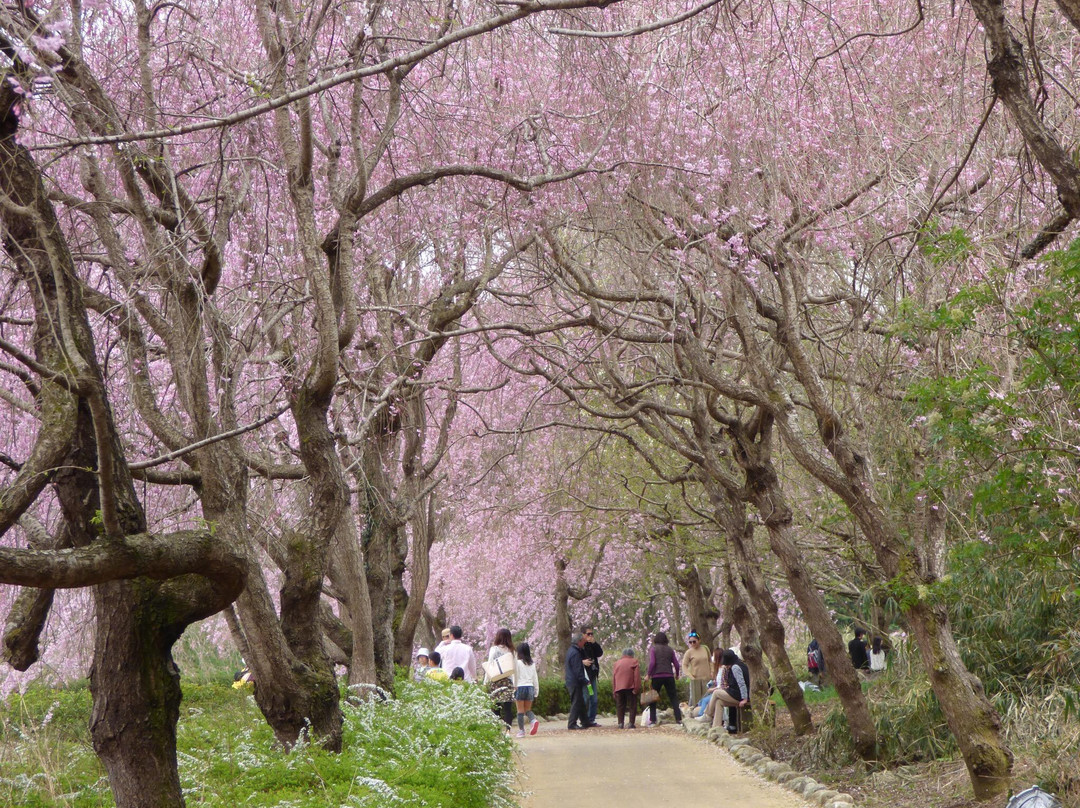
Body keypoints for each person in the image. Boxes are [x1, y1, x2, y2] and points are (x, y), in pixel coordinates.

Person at [700, 649, 750, 732]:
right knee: (719, 702)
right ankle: (716, 728)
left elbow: (742, 684)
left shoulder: (735, 667)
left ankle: (707, 715)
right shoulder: (739, 664)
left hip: (740, 696)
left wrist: (744, 699)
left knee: (716, 693)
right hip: (737, 693)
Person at [645, 631, 682, 726]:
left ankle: (653, 720)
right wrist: (677, 674)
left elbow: (652, 663)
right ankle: (678, 719)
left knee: (652, 698)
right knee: (673, 697)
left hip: (657, 676)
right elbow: (677, 664)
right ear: (666, 640)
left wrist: (648, 675)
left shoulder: (654, 649)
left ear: (656, 640)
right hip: (669, 676)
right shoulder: (670, 650)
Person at [484, 628, 516, 730]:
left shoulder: (494, 649)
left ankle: (496, 730)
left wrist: (485, 682)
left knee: (496, 707)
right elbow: (515, 668)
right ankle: (507, 731)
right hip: (507, 681)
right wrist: (515, 683)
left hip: (496, 681)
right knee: (507, 709)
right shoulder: (512, 651)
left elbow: (489, 665)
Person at [564, 632, 592, 730]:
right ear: (579, 642)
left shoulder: (571, 651)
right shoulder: (575, 653)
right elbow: (578, 670)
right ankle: (572, 723)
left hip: (571, 680)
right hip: (574, 681)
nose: (584, 644)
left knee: (580, 702)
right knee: (576, 702)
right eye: (583, 642)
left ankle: (585, 721)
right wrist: (584, 680)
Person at [514, 642, 540, 737]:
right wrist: (536, 691)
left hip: (520, 687)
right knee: (528, 709)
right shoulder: (532, 664)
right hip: (530, 687)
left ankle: (521, 731)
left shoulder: (518, 663)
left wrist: (514, 686)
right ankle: (533, 720)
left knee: (520, 711)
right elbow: (535, 678)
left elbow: (515, 676)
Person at [611, 648, 641, 729]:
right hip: (630, 686)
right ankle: (631, 723)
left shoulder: (616, 663)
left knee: (620, 705)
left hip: (618, 687)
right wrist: (636, 688)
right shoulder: (634, 662)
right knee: (632, 705)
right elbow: (637, 677)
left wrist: (614, 690)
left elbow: (613, 678)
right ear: (632, 654)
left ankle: (620, 723)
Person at [681, 631, 712, 708]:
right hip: (696, 680)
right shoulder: (689, 652)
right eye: (690, 642)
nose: (692, 644)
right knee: (696, 700)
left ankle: (707, 714)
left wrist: (712, 672)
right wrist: (690, 676)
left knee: (707, 699)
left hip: (707, 679)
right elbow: (684, 665)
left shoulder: (705, 649)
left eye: (694, 641)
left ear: (699, 640)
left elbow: (710, 661)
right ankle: (695, 714)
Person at [581, 626, 603, 726]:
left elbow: (600, 653)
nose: (590, 636)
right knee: (586, 698)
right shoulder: (579, 646)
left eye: (591, 634)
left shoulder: (592, 645)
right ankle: (584, 719)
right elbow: (573, 658)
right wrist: (582, 662)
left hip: (593, 675)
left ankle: (591, 719)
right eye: (588, 634)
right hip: (585, 677)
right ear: (583, 635)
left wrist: (594, 643)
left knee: (593, 698)